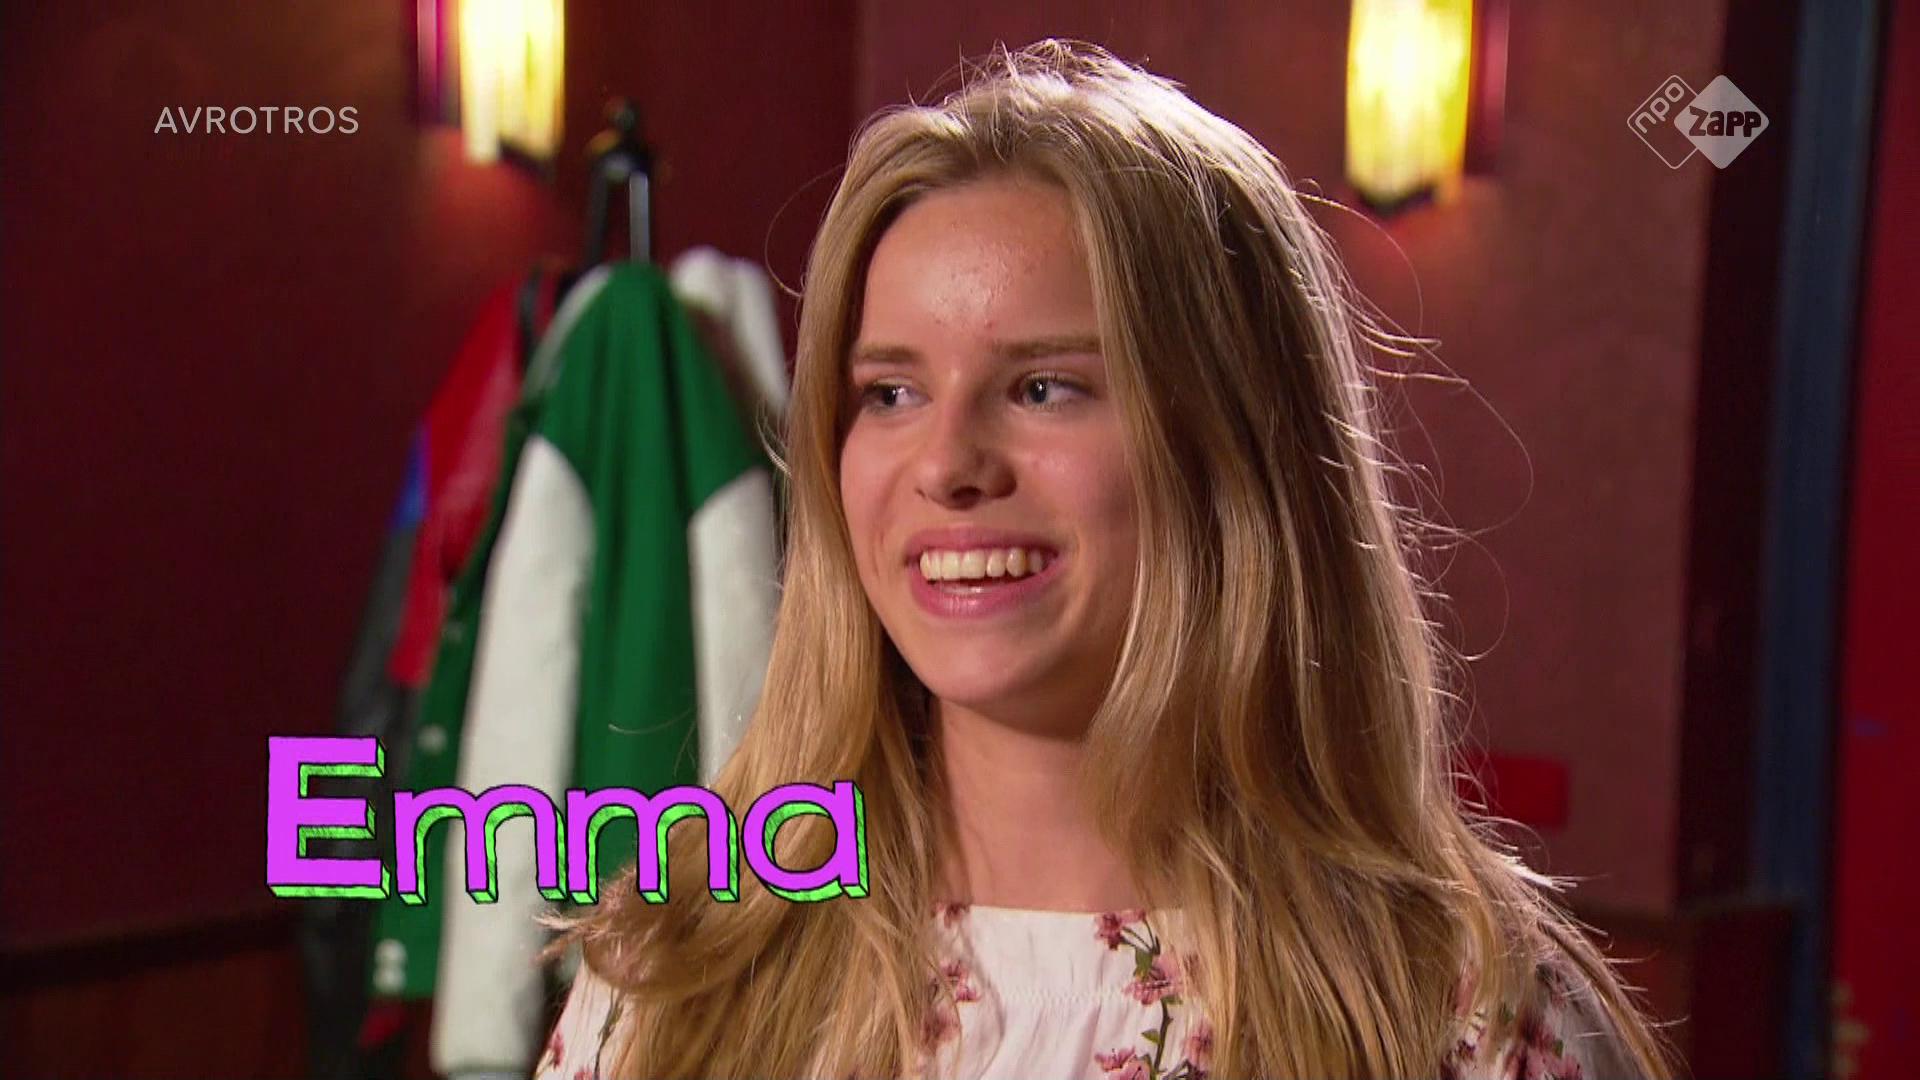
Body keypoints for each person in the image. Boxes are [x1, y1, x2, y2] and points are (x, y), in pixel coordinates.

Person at [531, 39, 1678, 1080]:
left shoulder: (1458, 1016)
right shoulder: (683, 961)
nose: (948, 465)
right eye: (890, 393)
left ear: (1232, 449)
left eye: (1044, 387)